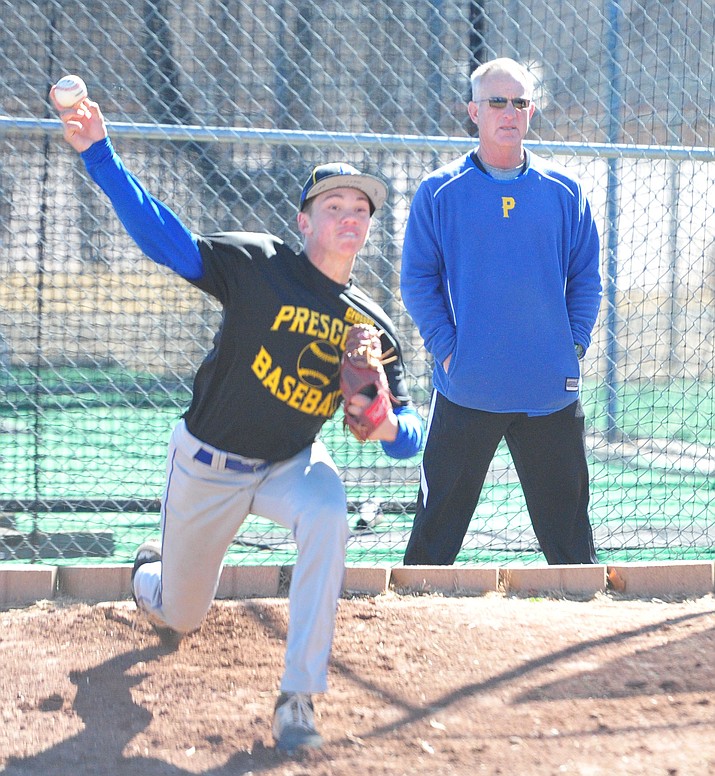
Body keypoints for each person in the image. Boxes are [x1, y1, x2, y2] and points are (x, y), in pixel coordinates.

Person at [51, 85, 424, 754]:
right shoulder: (260, 267)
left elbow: (407, 441)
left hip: (288, 466)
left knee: (329, 511)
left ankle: (299, 699)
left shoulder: (371, 324)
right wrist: (100, 156)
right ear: (304, 222)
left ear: (367, 226)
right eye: (331, 204)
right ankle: (147, 574)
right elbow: (166, 241)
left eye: (360, 207)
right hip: (208, 463)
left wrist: (387, 424)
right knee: (180, 615)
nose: (348, 214)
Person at [400, 57, 601, 567]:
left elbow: (586, 279)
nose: (509, 112)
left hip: (548, 391)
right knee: (431, 546)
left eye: (519, 102)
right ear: (473, 111)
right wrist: (448, 351)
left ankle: (583, 634)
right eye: (496, 101)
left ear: (530, 111)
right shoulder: (438, 192)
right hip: (467, 387)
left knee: (573, 549)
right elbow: (417, 280)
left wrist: (572, 346)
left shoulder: (566, 192)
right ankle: (410, 633)